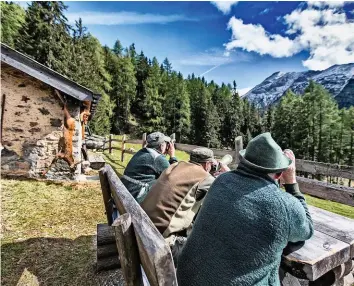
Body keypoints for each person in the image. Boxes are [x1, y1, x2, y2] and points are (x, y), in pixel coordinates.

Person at [177, 132, 314, 286]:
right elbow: (307, 229)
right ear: (279, 174)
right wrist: (291, 182)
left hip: (187, 278)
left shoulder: (221, 180)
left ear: (245, 161)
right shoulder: (284, 205)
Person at [140, 147, 230, 265]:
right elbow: (228, 194)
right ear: (208, 164)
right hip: (161, 241)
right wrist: (226, 172)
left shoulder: (175, 166)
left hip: (143, 227)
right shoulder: (205, 178)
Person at [120, 132, 177, 203]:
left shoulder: (141, 152)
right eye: (166, 143)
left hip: (122, 196)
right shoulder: (157, 158)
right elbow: (175, 177)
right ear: (162, 146)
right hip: (134, 202)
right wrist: (172, 156)